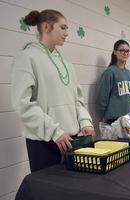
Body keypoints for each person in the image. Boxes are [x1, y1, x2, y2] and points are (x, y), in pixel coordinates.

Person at [11, 10, 95, 172]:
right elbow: (23, 103)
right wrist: (54, 131)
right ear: (46, 26)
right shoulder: (27, 57)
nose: (67, 33)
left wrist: (85, 122)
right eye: (63, 28)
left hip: (72, 140)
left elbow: (77, 99)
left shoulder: (67, 64)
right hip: (44, 143)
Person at [95, 40, 130, 124]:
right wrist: (105, 116)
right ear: (115, 52)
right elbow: (102, 98)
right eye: (122, 50)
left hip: (128, 119)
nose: (125, 53)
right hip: (114, 120)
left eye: (127, 51)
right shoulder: (110, 72)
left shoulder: (129, 73)